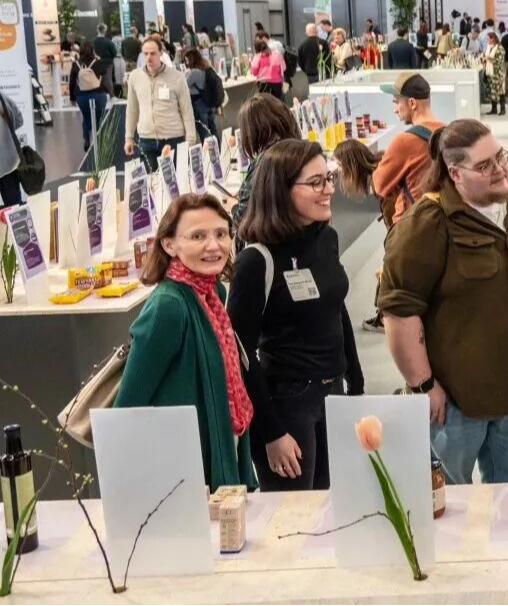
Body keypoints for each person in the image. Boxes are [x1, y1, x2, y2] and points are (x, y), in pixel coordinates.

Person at [379, 120, 508, 484]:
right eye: (484, 166)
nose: (499, 170)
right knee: (450, 504)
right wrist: (423, 385)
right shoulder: (427, 223)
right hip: (455, 405)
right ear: (455, 173)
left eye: (500, 157)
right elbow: (399, 310)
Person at [230, 140, 363, 491]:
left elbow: (336, 308)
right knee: (294, 514)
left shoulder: (326, 238)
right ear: (281, 190)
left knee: (333, 505)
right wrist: (271, 432)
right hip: (288, 403)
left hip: (333, 394)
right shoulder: (256, 261)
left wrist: (356, 384)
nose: (329, 189)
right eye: (316, 182)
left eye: (328, 178)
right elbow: (240, 354)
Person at [114, 194, 256, 490]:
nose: (214, 246)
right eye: (198, 236)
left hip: (221, 449)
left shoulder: (212, 294)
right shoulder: (168, 307)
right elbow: (127, 408)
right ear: (169, 245)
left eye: (221, 234)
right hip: (185, 476)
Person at [373, 72, 444, 225]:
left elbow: (379, 185)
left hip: (411, 226)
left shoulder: (404, 141)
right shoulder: (449, 133)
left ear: (412, 103)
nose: (395, 110)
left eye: (397, 102)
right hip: (441, 222)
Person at [124, 37, 198, 170]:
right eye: (145, 54)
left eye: (153, 53)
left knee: (175, 180)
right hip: (146, 140)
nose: (149, 57)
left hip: (173, 138)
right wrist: (129, 137)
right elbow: (132, 110)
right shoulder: (135, 77)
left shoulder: (177, 77)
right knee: (150, 181)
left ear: (161, 53)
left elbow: (187, 110)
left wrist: (191, 139)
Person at [232, 94, 301, 229]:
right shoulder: (299, 152)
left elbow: (242, 218)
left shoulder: (265, 162)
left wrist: (233, 206)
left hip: (271, 235)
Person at [69, 42, 110, 152]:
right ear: (93, 50)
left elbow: (72, 83)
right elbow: (106, 79)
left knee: (86, 117)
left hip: (82, 96)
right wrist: (109, 92)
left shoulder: (76, 64)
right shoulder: (98, 63)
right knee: (99, 118)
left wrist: (72, 98)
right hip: (99, 94)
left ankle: (87, 139)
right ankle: (100, 141)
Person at [184, 48, 222, 141]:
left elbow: (184, 85)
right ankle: (217, 148)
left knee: (204, 131)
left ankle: (208, 150)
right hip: (209, 103)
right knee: (212, 129)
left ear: (191, 59)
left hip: (199, 104)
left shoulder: (194, 72)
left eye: (187, 60)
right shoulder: (206, 68)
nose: (186, 62)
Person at [251, 35, 286, 101]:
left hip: (264, 84)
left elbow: (254, 72)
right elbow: (283, 68)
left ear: (256, 48)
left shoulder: (258, 56)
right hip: (277, 83)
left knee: (266, 103)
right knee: (277, 102)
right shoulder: (277, 54)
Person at [483, 31, 506, 115]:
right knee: (492, 91)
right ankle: (494, 109)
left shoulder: (500, 48)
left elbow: (499, 61)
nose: (487, 40)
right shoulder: (489, 47)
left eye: (488, 39)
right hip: (490, 73)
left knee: (499, 91)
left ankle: (503, 109)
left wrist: (489, 59)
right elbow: (485, 57)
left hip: (497, 73)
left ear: (493, 39)